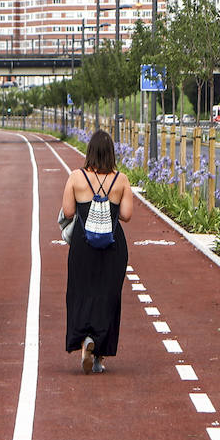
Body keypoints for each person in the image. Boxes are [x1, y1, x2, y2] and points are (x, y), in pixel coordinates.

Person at [62, 129, 134, 374]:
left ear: (89, 151)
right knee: (108, 297)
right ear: (111, 153)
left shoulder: (75, 177)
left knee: (80, 293)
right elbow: (126, 215)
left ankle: (84, 340)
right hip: (113, 247)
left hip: (83, 245)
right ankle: (99, 357)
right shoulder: (121, 180)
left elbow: (68, 212)